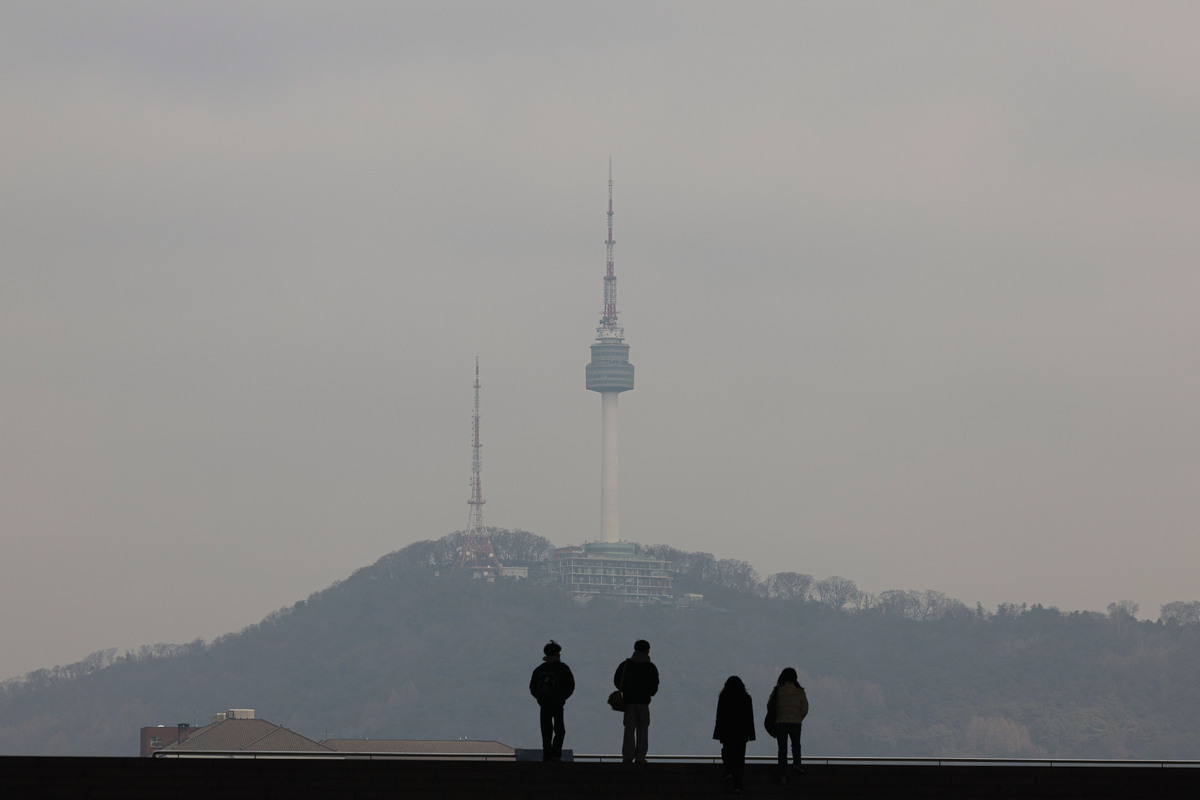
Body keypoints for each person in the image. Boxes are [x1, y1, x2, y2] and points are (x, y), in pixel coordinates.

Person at [613, 639, 659, 763]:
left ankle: (627, 756)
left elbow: (617, 681)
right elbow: (654, 686)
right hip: (643, 703)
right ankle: (640, 757)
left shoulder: (626, 664)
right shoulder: (650, 667)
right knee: (643, 730)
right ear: (646, 651)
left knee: (628, 729)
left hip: (628, 702)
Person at [529, 640, 575, 761]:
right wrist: (562, 697)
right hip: (558, 704)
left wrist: (540, 699)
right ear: (557, 654)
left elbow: (533, 688)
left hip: (544, 704)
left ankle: (547, 755)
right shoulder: (563, 668)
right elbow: (571, 686)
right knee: (560, 730)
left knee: (546, 730)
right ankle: (556, 754)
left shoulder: (539, 669)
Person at [712, 676, 755, 794]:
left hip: (727, 732)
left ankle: (729, 770)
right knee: (740, 760)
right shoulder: (746, 698)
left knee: (726, 752)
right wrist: (751, 734)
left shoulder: (724, 697)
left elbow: (719, 717)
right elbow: (749, 718)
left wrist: (718, 733)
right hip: (741, 733)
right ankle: (738, 786)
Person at [765, 667, 808, 783]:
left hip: (780, 722)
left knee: (782, 750)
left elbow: (769, 706)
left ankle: (783, 774)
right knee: (796, 745)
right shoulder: (800, 691)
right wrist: (799, 718)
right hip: (795, 723)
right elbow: (805, 708)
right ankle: (797, 764)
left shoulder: (777, 690)